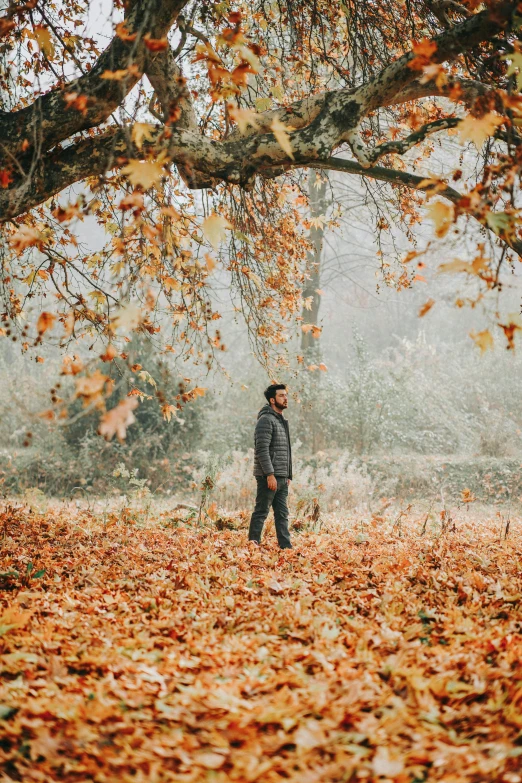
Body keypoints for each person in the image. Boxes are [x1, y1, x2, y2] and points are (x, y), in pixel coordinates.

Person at [248, 383, 293, 549]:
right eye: (282, 395)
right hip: (269, 476)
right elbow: (261, 449)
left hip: (281, 476)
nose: (286, 398)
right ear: (272, 400)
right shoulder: (266, 420)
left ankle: (286, 548)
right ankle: (252, 545)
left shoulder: (280, 421)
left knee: (282, 514)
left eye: (286, 395)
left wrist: (288, 475)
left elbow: (286, 450)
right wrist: (270, 474)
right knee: (261, 511)